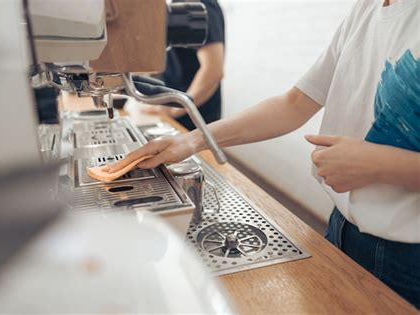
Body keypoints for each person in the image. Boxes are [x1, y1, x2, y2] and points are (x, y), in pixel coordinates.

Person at [112, 0, 420, 307]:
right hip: (341, 227)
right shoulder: (365, 9)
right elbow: (295, 103)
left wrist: (380, 165)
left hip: (408, 257)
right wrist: (192, 140)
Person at [141, 0, 225, 130]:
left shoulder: (201, 4)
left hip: (194, 117)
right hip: (178, 109)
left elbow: (213, 71)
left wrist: (175, 110)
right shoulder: (172, 5)